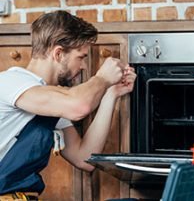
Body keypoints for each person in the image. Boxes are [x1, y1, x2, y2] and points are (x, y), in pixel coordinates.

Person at [0, 10, 136, 200]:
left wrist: (110, 94)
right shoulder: (10, 82)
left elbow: (84, 158)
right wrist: (103, 78)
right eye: (81, 57)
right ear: (58, 53)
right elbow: (79, 106)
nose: (83, 67)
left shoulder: (52, 101)